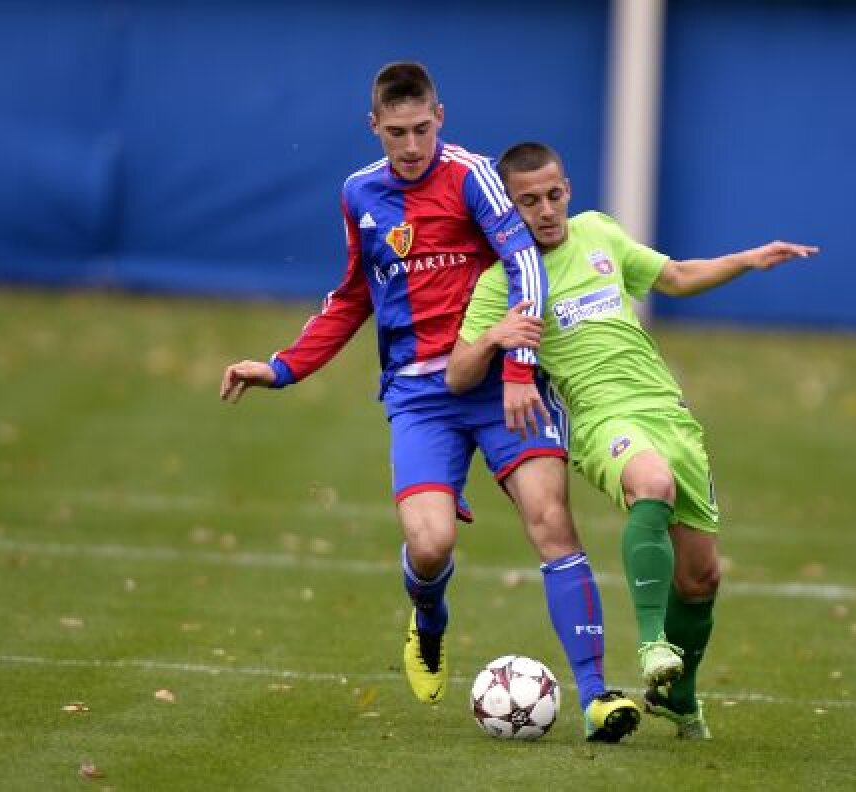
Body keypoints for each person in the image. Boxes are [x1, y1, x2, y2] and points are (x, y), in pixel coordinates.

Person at [219, 66, 638, 742]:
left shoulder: (473, 176)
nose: (411, 145)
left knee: (551, 521)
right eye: (396, 133)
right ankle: (430, 617)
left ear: (439, 117)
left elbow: (525, 261)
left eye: (421, 130)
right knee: (431, 541)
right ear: (373, 127)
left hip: (501, 379)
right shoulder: (360, 193)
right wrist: (282, 367)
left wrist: (520, 368)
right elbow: (354, 293)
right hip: (419, 395)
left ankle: (595, 696)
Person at [447, 142, 818, 739]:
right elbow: (457, 374)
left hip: (669, 414)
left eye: (554, 195)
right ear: (508, 210)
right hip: (602, 421)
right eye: (528, 202)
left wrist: (746, 258)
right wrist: (493, 337)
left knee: (701, 579)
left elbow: (671, 276)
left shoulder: (599, 232)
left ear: (567, 188)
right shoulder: (505, 280)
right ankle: (650, 645)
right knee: (653, 483)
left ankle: (679, 695)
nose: (545, 210)